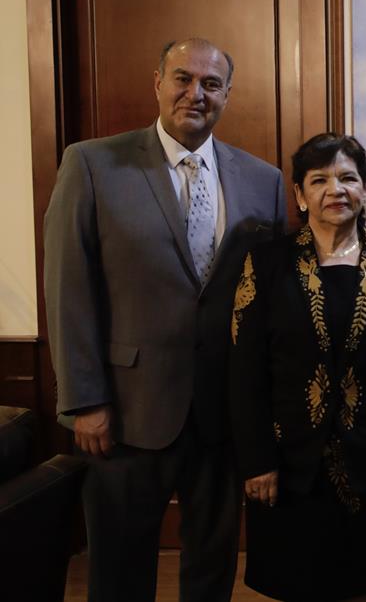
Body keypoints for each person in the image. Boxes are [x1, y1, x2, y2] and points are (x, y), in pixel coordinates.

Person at [43, 38, 286, 600]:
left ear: (227, 94)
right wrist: (83, 401)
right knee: (119, 571)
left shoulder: (264, 180)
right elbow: (67, 288)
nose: (195, 93)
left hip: (222, 413)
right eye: (183, 78)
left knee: (212, 568)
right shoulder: (92, 163)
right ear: (158, 83)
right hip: (124, 412)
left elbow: (269, 305)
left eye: (211, 84)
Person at [228, 133, 366, 601]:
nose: (335, 190)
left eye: (347, 178)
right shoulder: (265, 265)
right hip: (286, 462)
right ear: (300, 195)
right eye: (319, 180)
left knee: (360, 582)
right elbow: (245, 373)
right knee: (294, 582)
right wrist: (256, 461)